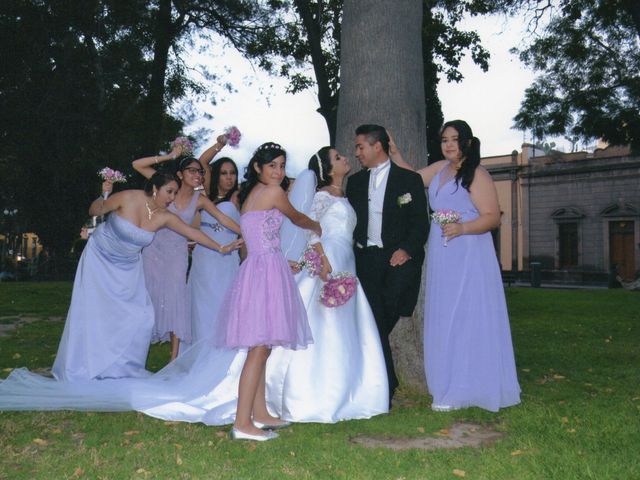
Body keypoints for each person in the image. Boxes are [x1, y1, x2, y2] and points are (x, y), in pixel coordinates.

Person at [52, 172, 243, 382]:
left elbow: (192, 232)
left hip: (128, 268)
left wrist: (221, 247)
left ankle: (120, 368)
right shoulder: (128, 197)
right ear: (155, 188)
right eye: (169, 192)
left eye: (175, 193)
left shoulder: (165, 216)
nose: (172, 197)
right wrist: (104, 194)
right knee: (96, 311)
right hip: (99, 258)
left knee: (140, 317)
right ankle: (87, 363)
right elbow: (96, 210)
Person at [391, 119, 521, 412]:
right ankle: (449, 383)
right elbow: (412, 177)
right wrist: (396, 152)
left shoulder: (477, 174)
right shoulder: (439, 169)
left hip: (470, 250)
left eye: (454, 139)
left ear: (467, 143)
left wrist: (462, 228)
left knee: (467, 315)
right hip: (443, 251)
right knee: (446, 314)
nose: (449, 145)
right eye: (444, 140)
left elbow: (492, 216)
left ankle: (469, 386)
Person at [266, 147, 389, 422]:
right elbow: (310, 228)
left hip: (347, 259)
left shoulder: (343, 195)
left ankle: (348, 389)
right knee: (322, 322)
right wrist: (321, 259)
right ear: (328, 169)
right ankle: (311, 393)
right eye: (338, 157)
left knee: (343, 324)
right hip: (329, 262)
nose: (345, 158)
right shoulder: (321, 196)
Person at [213, 142, 321, 441]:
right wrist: (316, 225)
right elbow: (297, 218)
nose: (279, 171)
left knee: (262, 345)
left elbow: (257, 238)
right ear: (258, 168)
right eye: (272, 165)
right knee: (259, 347)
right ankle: (242, 423)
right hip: (265, 270)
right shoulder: (273, 193)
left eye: (282, 165)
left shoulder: (252, 195)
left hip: (261, 266)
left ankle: (259, 413)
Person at [345, 124, 429, 408]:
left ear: (376, 146)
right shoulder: (355, 183)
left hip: (397, 259)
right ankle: (386, 385)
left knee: (383, 316)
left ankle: (379, 382)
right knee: (372, 319)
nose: (357, 153)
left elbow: (420, 222)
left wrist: (405, 250)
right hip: (366, 260)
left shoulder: (409, 180)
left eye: (360, 147)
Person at [133, 145, 241, 361]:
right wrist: (171, 156)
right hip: (153, 250)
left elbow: (222, 218)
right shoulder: (167, 185)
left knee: (177, 301)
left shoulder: (200, 200)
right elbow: (137, 165)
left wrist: (248, 234)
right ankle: (136, 351)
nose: (198, 175)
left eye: (200, 171)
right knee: (147, 298)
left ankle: (174, 358)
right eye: (192, 170)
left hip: (178, 254)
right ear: (180, 174)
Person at [187, 157, 241, 345]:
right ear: (216, 175)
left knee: (221, 304)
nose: (229, 178)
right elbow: (200, 161)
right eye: (224, 173)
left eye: (233, 173)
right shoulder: (205, 198)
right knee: (202, 306)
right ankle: (200, 351)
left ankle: (219, 351)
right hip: (203, 259)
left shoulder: (240, 197)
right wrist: (220, 144)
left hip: (226, 260)